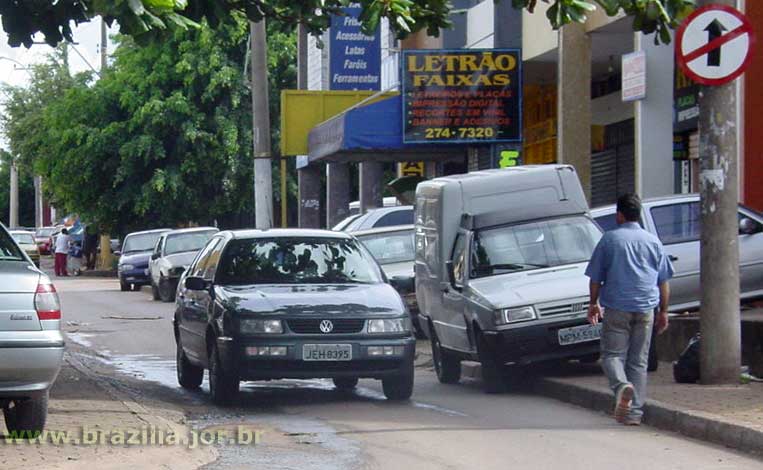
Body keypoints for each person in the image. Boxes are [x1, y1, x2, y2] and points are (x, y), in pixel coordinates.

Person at [585, 193, 674, 426]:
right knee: (638, 361)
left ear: (619, 215)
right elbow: (663, 281)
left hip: (617, 307)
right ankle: (634, 413)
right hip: (646, 308)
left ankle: (621, 385)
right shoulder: (653, 241)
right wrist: (664, 311)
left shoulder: (609, 240)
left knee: (612, 356)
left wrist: (593, 303)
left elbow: (595, 278)